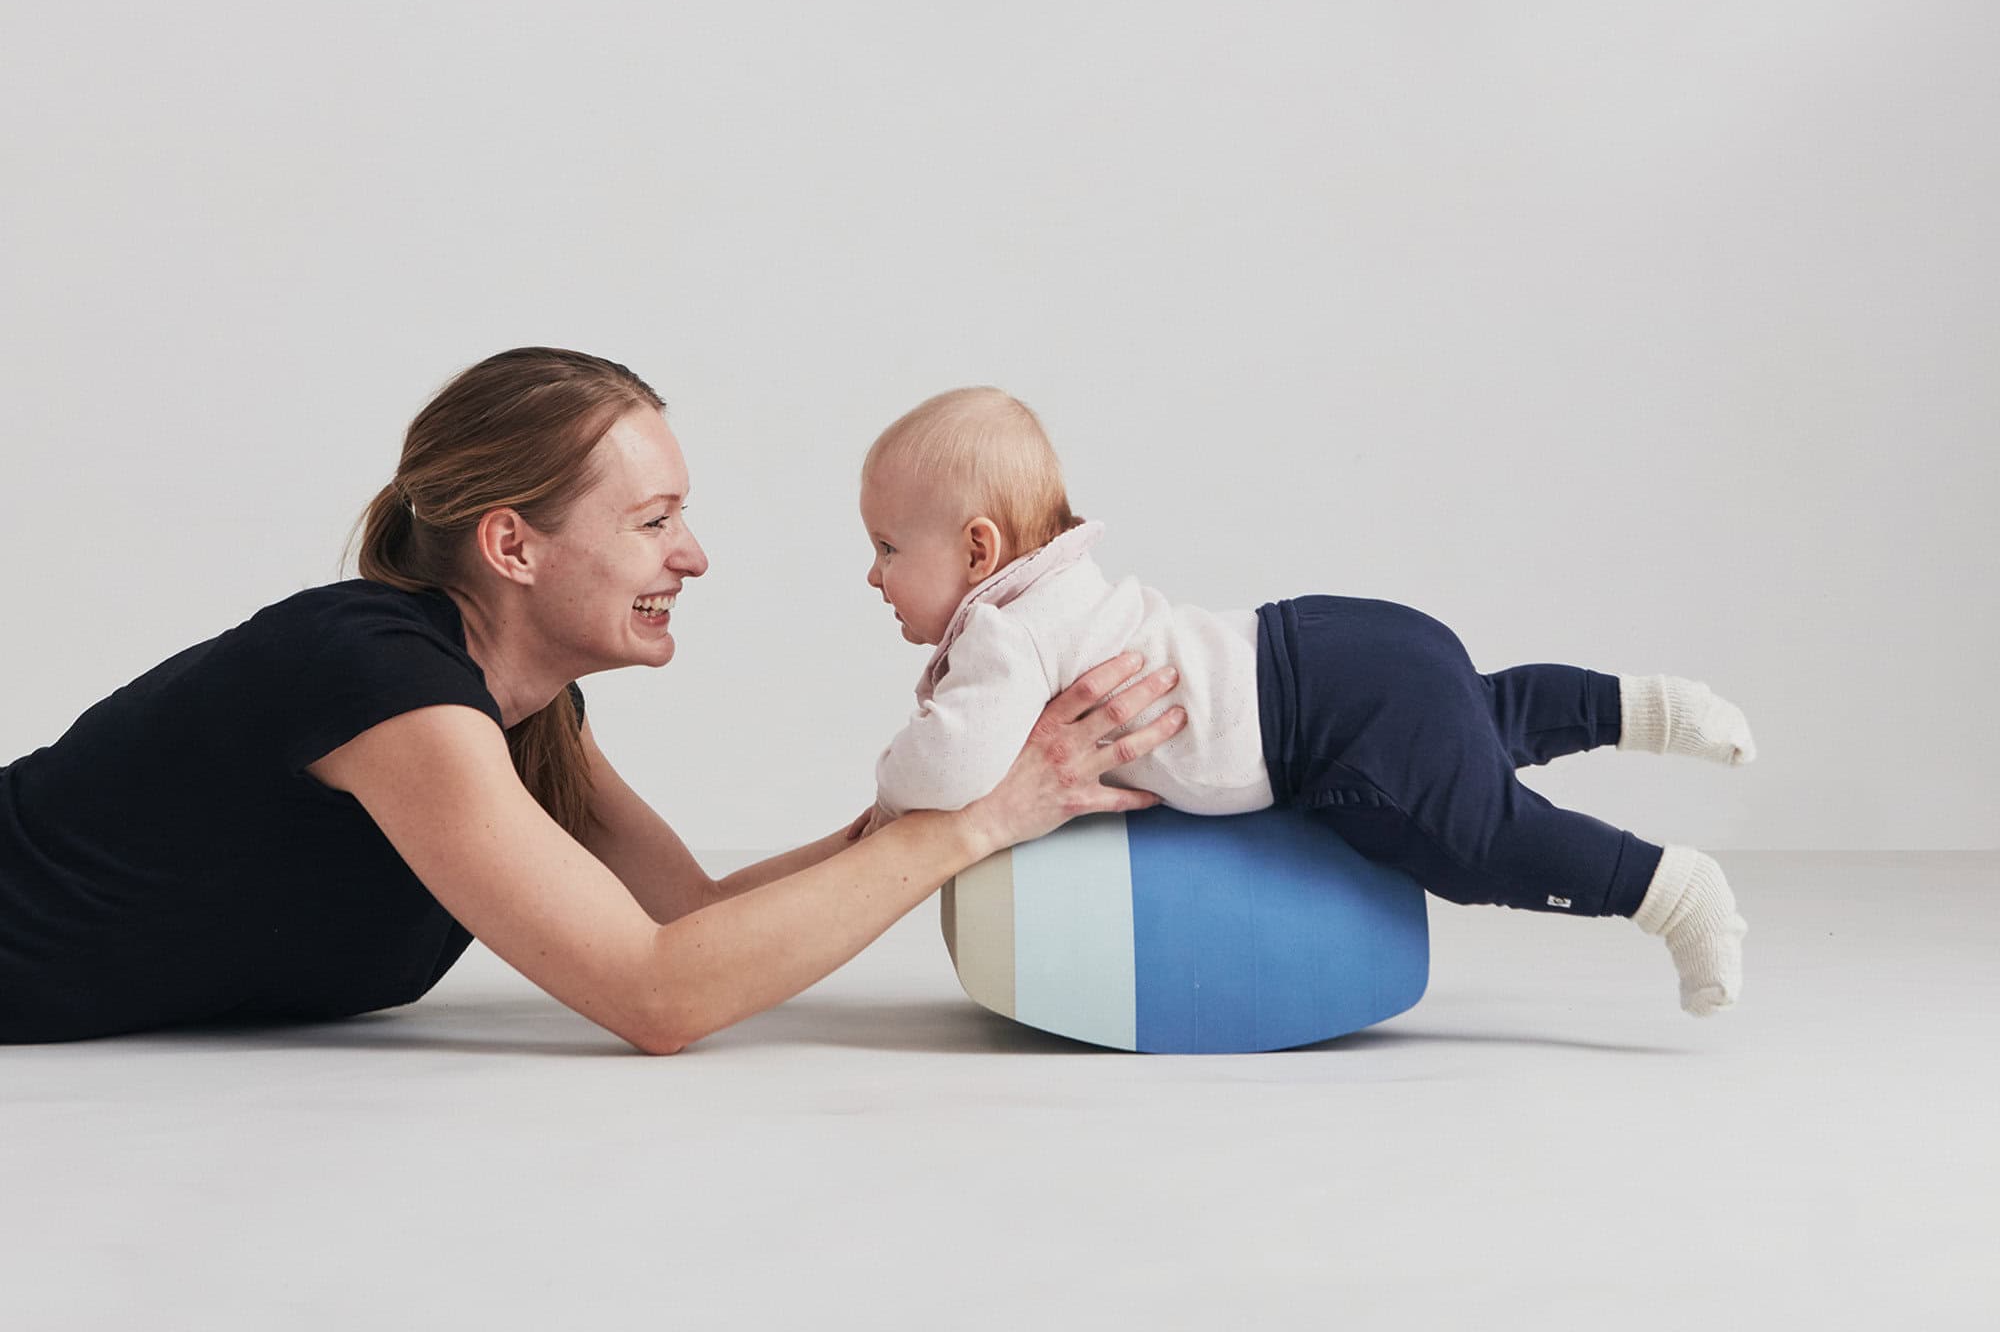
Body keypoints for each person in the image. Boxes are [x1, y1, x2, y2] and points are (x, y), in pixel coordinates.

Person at [0, 348, 1187, 1049]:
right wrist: (977, 820)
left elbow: (689, 918)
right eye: (652, 521)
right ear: (511, 544)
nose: (694, 556)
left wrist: (965, 791)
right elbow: (657, 994)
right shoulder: (377, 677)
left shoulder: (523, 717)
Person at [860, 386, 1755, 1018]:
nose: (875, 575)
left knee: (1484, 842)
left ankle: (1674, 892)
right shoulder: (1069, 582)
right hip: (1327, 639)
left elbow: (951, 767)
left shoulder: (1009, 631)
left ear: (981, 550)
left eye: (889, 548)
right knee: (1487, 710)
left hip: (1324, 729)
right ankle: (1652, 708)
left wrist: (890, 794)